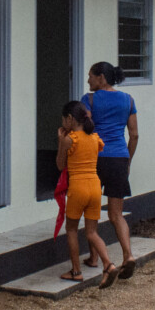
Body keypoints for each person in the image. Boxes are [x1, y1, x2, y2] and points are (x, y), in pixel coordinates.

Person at [81, 61, 139, 279]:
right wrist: (128, 161)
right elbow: (134, 135)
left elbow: (86, 129)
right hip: (119, 159)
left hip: (95, 159)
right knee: (116, 214)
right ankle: (128, 255)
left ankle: (94, 257)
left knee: (92, 210)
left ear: (101, 78)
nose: (88, 80)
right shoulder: (128, 100)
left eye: (91, 76)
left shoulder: (89, 100)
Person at [56, 101, 119, 288]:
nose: (62, 122)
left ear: (70, 119)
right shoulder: (94, 138)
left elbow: (60, 165)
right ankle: (108, 264)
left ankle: (76, 272)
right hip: (95, 187)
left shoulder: (70, 139)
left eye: (63, 119)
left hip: (78, 188)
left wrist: (60, 141)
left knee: (72, 229)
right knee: (91, 232)